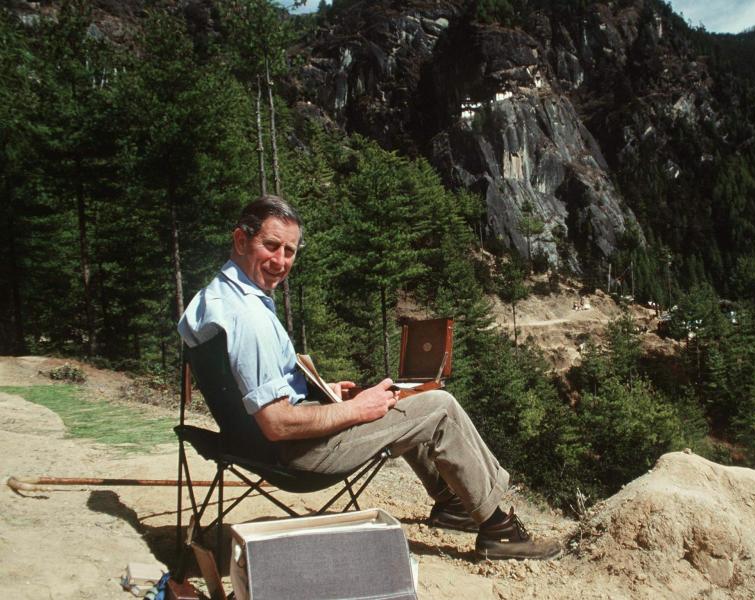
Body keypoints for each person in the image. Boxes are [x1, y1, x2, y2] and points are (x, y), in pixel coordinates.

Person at [178, 195, 561, 561]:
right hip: (298, 455)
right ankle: (498, 530)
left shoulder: (214, 299)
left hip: (255, 443)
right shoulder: (249, 318)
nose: (280, 261)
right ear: (241, 239)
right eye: (271, 245)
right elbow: (277, 423)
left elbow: (254, 387)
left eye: (289, 251)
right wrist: (358, 409)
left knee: (398, 398)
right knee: (439, 406)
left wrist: (323, 393)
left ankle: (452, 505)